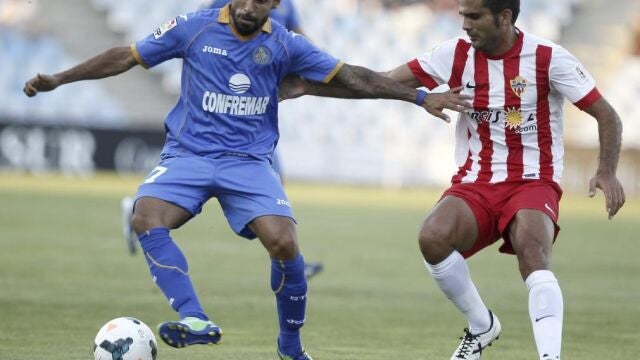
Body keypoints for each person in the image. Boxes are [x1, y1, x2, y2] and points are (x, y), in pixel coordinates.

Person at [23, 1, 471, 359]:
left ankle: (290, 348)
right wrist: (60, 79)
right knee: (145, 217)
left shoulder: (286, 43)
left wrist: (418, 96)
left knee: (284, 243)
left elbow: (353, 77)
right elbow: (127, 55)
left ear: (274, 4)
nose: (248, 6)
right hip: (189, 155)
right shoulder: (194, 26)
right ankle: (195, 318)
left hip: (249, 162)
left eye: (260, 1)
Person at [279, 0, 626, 359]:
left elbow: (607, 115)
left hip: (532, 179)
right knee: (432, 237)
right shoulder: (454, 55)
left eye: (474, 17)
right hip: (476, 181)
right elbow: (379, 83)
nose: (465, 24)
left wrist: (606, 171)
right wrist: (310, 87)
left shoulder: (548, 58)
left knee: (533, 250)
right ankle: (481, 326)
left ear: (504, 17)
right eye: (463, 15)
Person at [120, 0, 324, 281]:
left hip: (256, 110)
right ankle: (139, 208)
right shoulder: (235, 7)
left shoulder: (286, 5)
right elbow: (209, 23)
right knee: (201, 169)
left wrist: (313, 64)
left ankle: (284, 253)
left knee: (276, 178)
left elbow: (301, 36)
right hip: (222, 109)